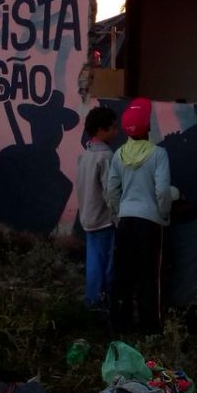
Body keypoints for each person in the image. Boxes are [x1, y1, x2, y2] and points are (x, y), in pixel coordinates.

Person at [105, 98, 172, 334]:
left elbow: (111, 191)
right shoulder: (159, 154)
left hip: (125, 220)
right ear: (148, 127)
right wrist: (164, 214)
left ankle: (120, 326)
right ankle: (150, 329)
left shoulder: (119, 155)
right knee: (149, 277)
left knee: (123, 276)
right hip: (150, 223)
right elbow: (163, 191)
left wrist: (117, 214)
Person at [77, 106, 119, 309]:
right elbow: (110, 192)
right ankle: (100, 303)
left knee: (93, 261)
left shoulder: (87, 154)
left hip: (88, 217)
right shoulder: (106, 157)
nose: (116, 132)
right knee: (106, 265)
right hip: (104, 220)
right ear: (101, 130)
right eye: (112, 128)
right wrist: (118, 217)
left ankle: (92, 300)